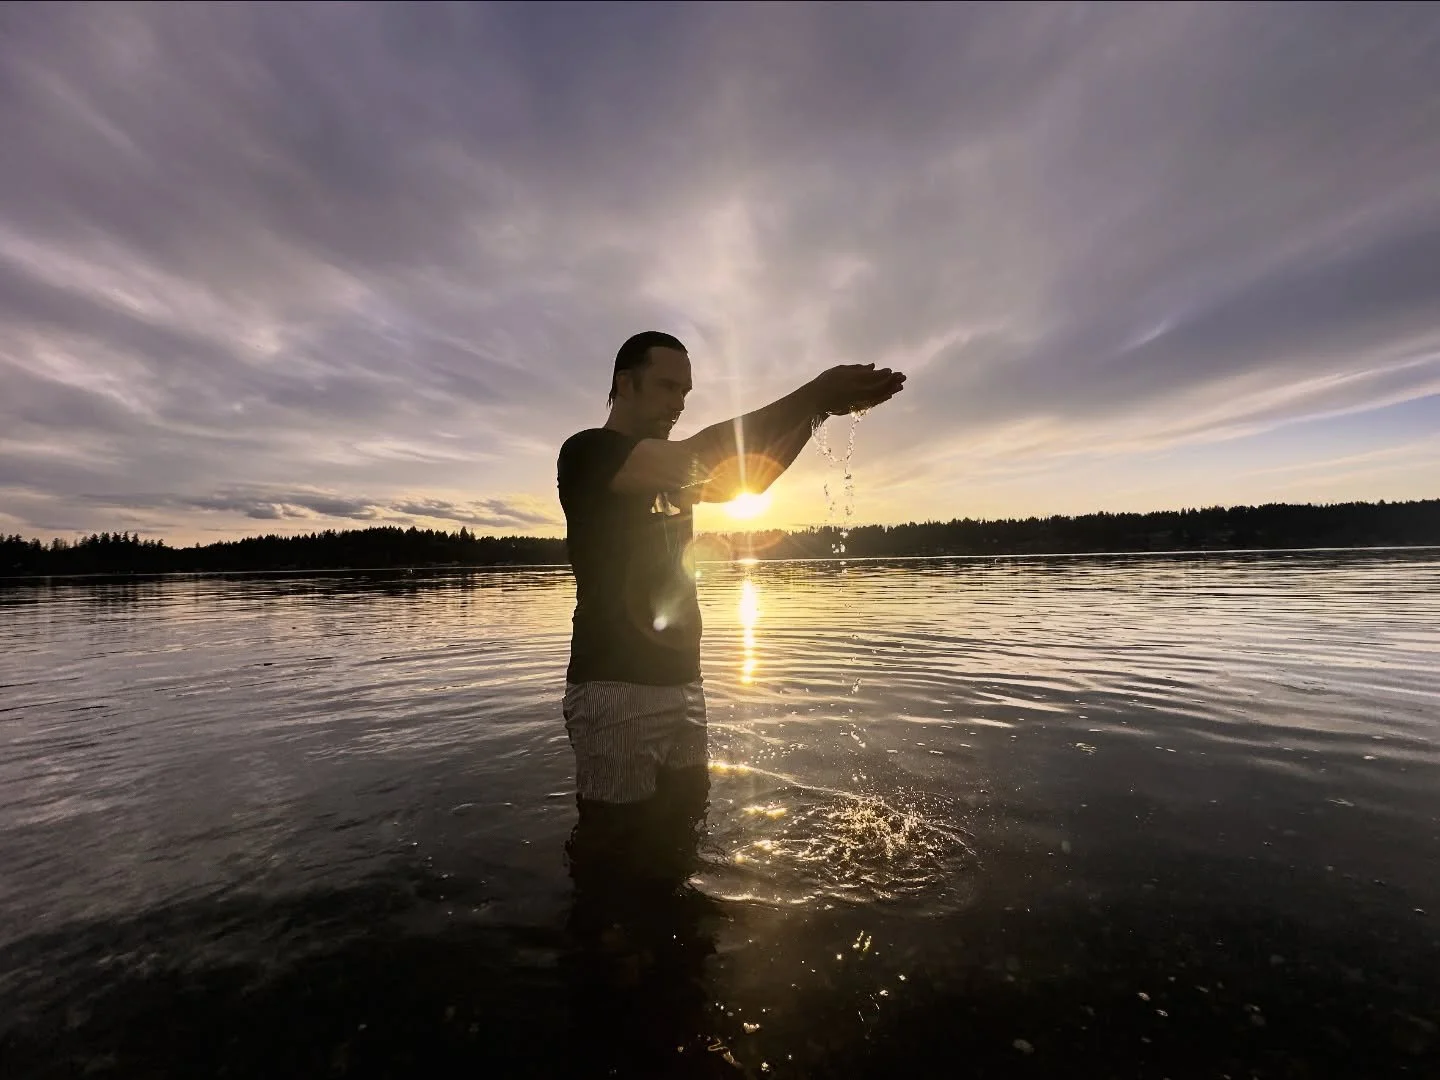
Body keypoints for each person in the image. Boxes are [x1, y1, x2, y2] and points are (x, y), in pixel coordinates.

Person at [555, 331, 906, 892]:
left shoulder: (674, 470)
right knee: (615, 841)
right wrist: (813, 393)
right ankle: (606, 953)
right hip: (615, 690)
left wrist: (817, 417)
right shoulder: (588, 453)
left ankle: (679, 949)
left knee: (682, 823)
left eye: (687, 391)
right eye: (668, 386)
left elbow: (754, 477)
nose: (679, 401)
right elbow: (702, 454)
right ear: (625, 383)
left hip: (682, 684)